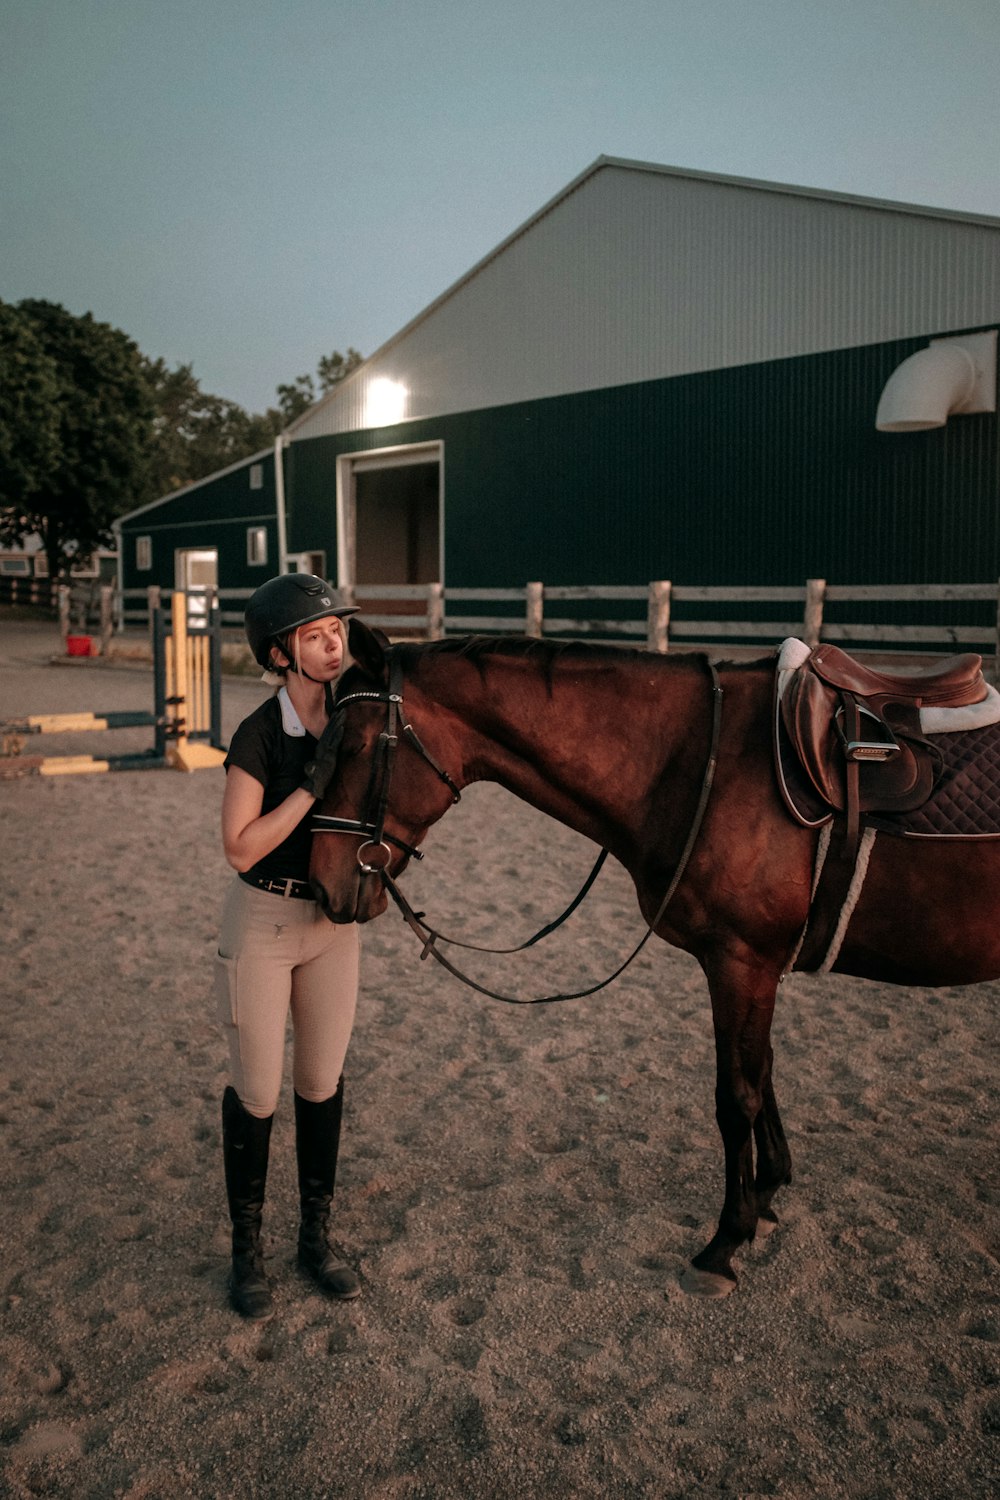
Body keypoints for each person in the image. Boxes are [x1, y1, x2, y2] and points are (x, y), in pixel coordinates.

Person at [215, 573, 361, 1320]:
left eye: (337, 629)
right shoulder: (260, 735)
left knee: (322, 1083)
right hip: (264, 924)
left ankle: (316, 1240)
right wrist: (309, 788)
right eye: (316, 635)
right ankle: (246, 1256)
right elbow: (238, 848)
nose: (334, 642)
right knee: (259, 1089)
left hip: (333, 927)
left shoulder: (355, 715)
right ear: (281, 655)